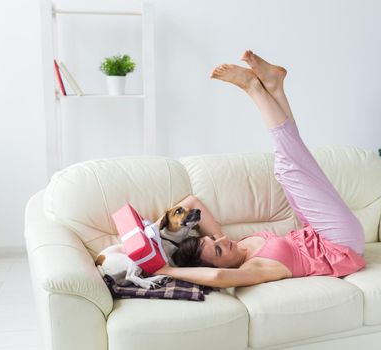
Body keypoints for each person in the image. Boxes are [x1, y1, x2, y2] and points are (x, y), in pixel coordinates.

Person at [154, 50, 366, 288]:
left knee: (286, 168)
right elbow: (217, 278)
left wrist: (154, 231)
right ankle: (253, 88)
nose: (223, 240)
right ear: (219, 264)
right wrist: (167, 270)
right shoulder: (253, 267)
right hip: (340, 243)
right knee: (289, 168)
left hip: (317, 231)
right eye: (218, 250)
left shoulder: (233, 242)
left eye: (214, 238)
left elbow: (192, 201)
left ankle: (275, 87)